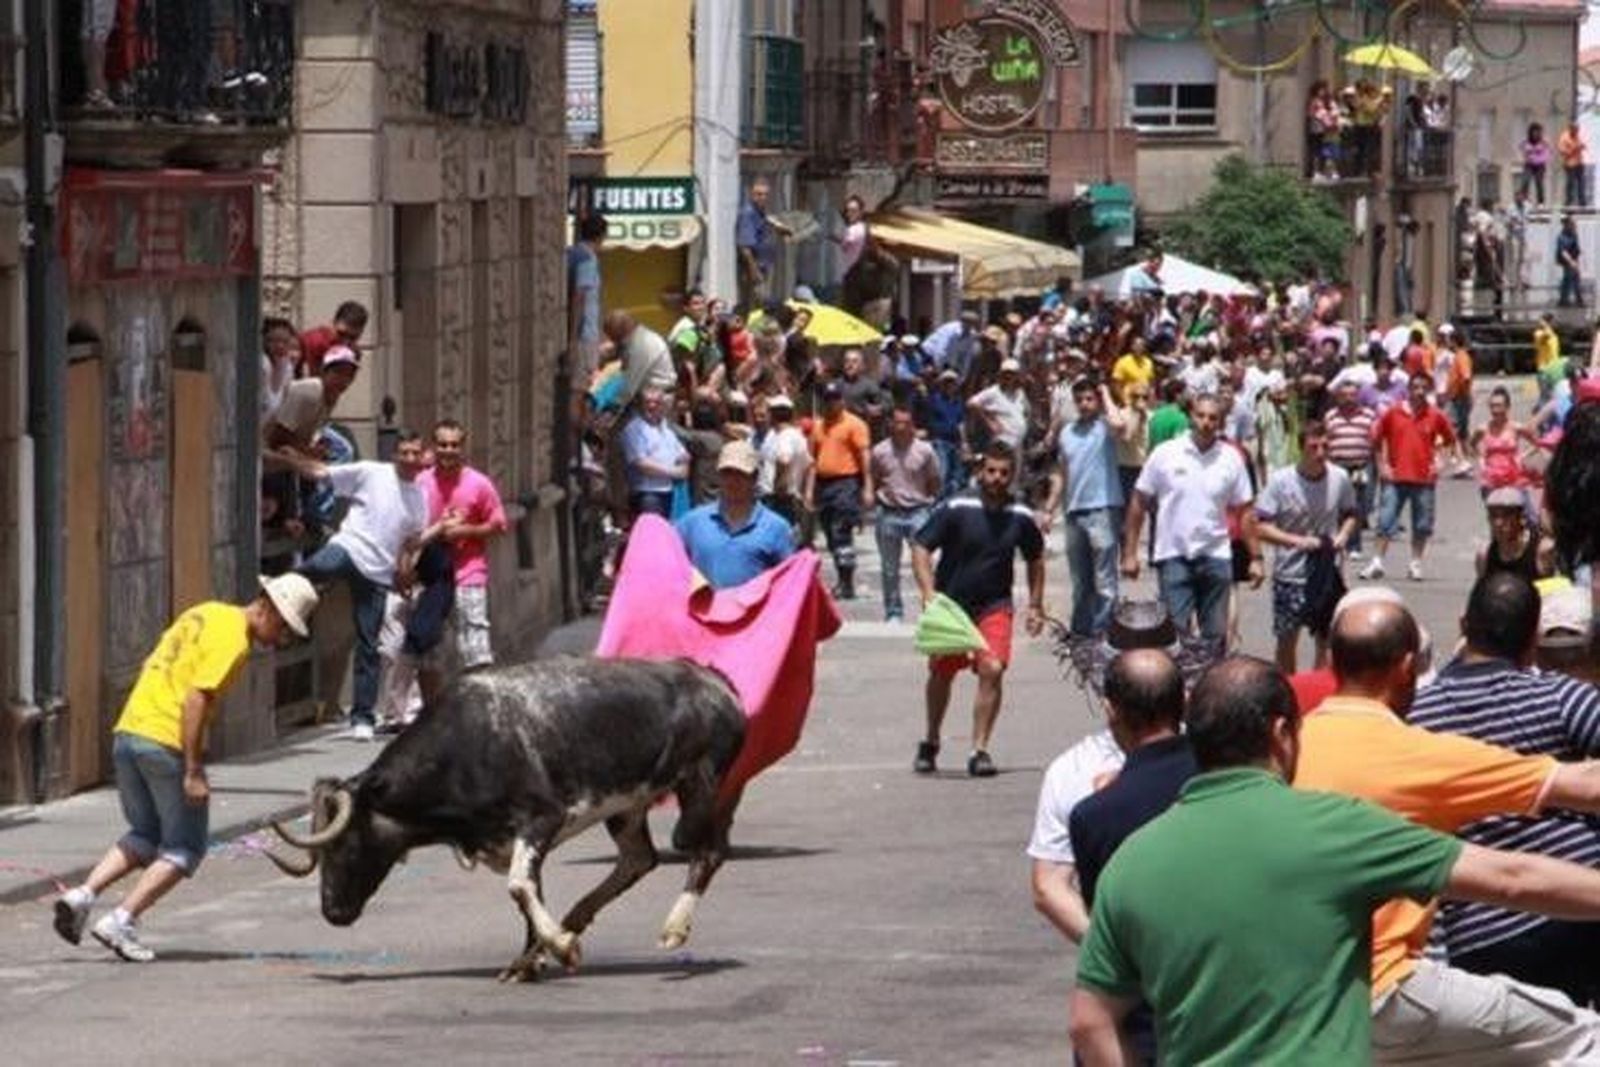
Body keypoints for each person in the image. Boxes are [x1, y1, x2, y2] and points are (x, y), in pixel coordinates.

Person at [1069, 654, 1600, 1066]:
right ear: (1281, 734)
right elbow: (1511, 877)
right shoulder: (1334, 827)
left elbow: (1091, 1022)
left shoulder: (1134, 861)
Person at [1295, 599, 1600, 1062]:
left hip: (1304, 995)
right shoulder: (1413, 753)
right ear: (1407, 667)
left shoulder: (1291, 746)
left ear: (1333, 661)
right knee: (1582, 1035)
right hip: (1386, 986)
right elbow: (1578, 791)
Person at [51, 574, 320, 962]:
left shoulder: (206, 612)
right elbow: (196, 699)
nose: (281, 639)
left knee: (145, 832)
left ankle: (82, 895)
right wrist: (193, 769)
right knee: (185, 846)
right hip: (166, 740)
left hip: (129, 730)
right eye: (282, 627)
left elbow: (154, 661)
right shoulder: (234, 643)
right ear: (268, 607)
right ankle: (122, 919)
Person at [1410, 573, 1600, 1005]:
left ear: (1462, 626)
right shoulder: (1562, 698)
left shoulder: (1416, 718)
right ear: (1532, 641)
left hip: (1475, 929)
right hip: (1576, 906)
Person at [1063, 649, 1193, 1063]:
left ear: (1109, 709)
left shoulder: (1095, 815)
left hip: (1141, 1018)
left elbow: (1103, 918)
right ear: (1184, 702)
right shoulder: (1224, 778)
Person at [274, 430, 439, 740]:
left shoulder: (419, 500)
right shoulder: (371, 472)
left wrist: (403, 575)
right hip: (350, 547)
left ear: (422, 457)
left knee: (368, 644)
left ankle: (362, 717)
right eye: (404, 452)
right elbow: (323, 472)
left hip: (378, 573)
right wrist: (291, 459)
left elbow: (410, 544)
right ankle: (272, 593)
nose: (409, 458)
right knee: (315, 569)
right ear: (395, 455)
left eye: (415, 453)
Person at [911, 444, 1044, 778]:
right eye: (991, 471)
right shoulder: (957, 506)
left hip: (994, 605)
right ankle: (931, 740)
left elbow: (1035, 559)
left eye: (1004, 472)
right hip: (953, 605)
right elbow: (921, 546)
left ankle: (979, 749)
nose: (997, 479)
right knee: (942, 672)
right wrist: (928, 592)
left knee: (993, 668)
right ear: (981, 471)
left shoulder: (1021, 516)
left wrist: (1036, 605)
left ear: (1012, 475)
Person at [1122, 394, 1263, 646]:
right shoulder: (1165, 453)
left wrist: (1256, 558)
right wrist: (1130, 553)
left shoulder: (1231, 458)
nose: (1206, 422)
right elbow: (1138, 501)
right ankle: (1179, 686)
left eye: (1213, 418)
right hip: (1173, 556)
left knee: (1215, 639)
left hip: (1216, 557)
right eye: (1201, 415)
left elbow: (1246, 511)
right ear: (1190, 417)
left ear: (1221, 422)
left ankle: (1208, 684)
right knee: (1173, 638)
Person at [1254, 420, 1359, 674]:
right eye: (1314, 447)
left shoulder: (1340, 477)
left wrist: (1344, 535)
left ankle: (1318, 689)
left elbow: (1352, 513)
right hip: (1290, 574)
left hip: (1327, 571)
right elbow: (1260, 525)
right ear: (1302, 448)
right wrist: (1296, 541)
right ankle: (1290, 689)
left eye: (1325, 446)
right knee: (1287, 639)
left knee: (1326, 639)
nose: (1320, 453)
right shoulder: (1281, 481)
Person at [415, 419, 507, 671]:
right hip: (430, 574)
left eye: (454, 444)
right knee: (429, 646)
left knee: (475, 640)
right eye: (443, 444)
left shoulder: (479, 483)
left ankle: (480, 700)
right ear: (434, 447)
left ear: (462, 448)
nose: (448, 450)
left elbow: (498, 524)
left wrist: (466, 530)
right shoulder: (421, 482)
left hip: (469, 571)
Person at [1040, 379, 1125, 637]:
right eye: (1080, 400)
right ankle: (1082, 632)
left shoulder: (1104, 429)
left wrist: (1106, 392)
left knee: (1105, 580)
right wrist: (1050, 508)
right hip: (1074, 511)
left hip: (1103, 508)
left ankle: (1104, 632)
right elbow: (1062, 474)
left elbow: (1121, 425)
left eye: (1090, 399)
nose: (1085, 405)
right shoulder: (1068, 432)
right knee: (1080, 579)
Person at [1362, 373, 1454, 582]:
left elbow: (1449, 439)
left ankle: (1416, 563)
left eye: (1423, 388)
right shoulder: (1393, 413)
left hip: (1423, 478)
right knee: (1385, 520)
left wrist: (1441, 462)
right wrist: (1382, 465)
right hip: (1396, 477)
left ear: (1428, 390)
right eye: (1415, 387)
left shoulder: (1435, 415)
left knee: (1422, 524)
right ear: (1409, 389)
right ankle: (1377, 561)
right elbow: (1377, 439)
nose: (1419, 392)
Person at [675, 440, 794, 589]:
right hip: (704, 611)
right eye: (727, 473)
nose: (733, 480)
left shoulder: (777, 528)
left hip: (755, 611)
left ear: (755, 477)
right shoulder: (691, 523)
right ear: (718, 475)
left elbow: (789, 584)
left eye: (741, 473)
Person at [869, 407, 941, 622]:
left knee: (924, 565)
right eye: (897, 423)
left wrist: (927, 501)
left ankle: (930, 607)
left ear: (912, 425)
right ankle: (893, 611)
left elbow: (934, 480)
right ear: (890, 424)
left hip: (918, 512)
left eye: (906, 423)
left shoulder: (925, 451)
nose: (902, 428)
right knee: (890, 568)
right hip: (889, 512)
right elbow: (874, 477)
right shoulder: (880, 451)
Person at [806, 381, 874, 600]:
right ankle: (841, 576)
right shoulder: (819, 426)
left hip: (846, 483)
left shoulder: (855, 425)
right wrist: (809, 490)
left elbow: (865, 458)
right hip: (824, 485)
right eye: (827, 399)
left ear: (842, 401)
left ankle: (846, 582)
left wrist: (868, 487)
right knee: (829, 535)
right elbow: (812, 460)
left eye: (834, 399)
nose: (831, 404)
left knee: (841, 531)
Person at [1325, 380, 1378, 557]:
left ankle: (1354, 546)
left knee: (1358, 506)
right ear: (1338, 397)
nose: (1348, 399)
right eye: (1344, 395)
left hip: (1361, 465)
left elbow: (1376, 440)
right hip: (1337, 465)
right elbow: (1326, 441)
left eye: (1352, 395)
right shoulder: (1331, 416)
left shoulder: (1369, 415)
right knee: (1336, 505)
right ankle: (1337, 540)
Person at [619, 388, 689, 518]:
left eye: (656, 402)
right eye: (648, 402)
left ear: (662, 406)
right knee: (651, 534)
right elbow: (642, 464)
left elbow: (684, 456)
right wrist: (675, 472)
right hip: (647, 494)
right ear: (641, 405)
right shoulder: (634, 429)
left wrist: (683, 467)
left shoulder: (666, 430)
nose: (652, 406)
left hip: (667, 491)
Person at [735, 178, 792, 311]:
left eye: (765, 194)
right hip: (755, 268)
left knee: (763, 302)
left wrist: (780, 229)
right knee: (759, 303)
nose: (762, 197)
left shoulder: (761, 212)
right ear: (752, 195)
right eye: (759, 194)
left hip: (764, 265)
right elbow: (745, 247)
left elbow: (767, 223)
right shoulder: (748, 214)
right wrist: (754, 270)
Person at [1475, 486, 1553, 581]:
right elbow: (1482, 593)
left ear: (1522, 518)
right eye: (1493, 516)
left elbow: (1557, 592)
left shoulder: (1542, 551)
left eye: (1506, 515)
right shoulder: (1484, 555)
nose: (1498, 523)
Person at [756, 394, 810, 529]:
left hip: (778, 498)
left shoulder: (786, 437)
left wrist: (778, 487)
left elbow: (784, 460)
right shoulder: (781, 435)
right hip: (782, 497)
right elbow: (810, 464)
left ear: (773, 414)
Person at [566, 213, 606, 387]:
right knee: (582, 389)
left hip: (584, 333)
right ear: (602, 236)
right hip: (585, 334)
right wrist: (573, 339)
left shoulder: (572, 253)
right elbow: (579, 297)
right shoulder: (587, 259)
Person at [917, 368, 969, 499]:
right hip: (939, 441)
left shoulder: (958, 402)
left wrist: (964, 443)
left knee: (956, 475)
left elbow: (960, 423)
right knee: (942, 473)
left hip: (955, 442)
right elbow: (925, 419)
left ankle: (950, 502)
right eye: (947, 382)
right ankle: (937, 502)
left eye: (952, 382)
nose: (950, 385)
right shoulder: (934, 399)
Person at [966, 358, 1030, 453]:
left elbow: (1026, 411)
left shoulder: (1020, 393)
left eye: (1012, 374)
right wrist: (989, 421)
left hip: (1018, 443)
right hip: (1002, 443)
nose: (1008, 376)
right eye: (1006, 373)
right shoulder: (994, 392)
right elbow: (971, 403)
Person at [299, 301, 368, 376]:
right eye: (341, 334)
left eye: (353, 338)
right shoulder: (312, 341)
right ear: (333, 323)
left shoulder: (354, 353)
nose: (345, 342)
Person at [1558, 120, 1587, 208]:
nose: (1576, 132)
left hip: (1579, 162)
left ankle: (1582, 201)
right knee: (1570, 183)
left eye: (1577, 130)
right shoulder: (1564, 137)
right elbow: (1562, 151)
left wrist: (1582, 146)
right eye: (1575, 130)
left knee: (1581, 182)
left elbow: (1582, 145)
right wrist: (1575, 149)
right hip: (1569, 163)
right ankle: (1568, 201)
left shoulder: (1578, 136)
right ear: (1570, 129)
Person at [1557, 213, 1582, 308]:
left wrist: (1577, 260)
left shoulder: (1574, 234)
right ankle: (1563, 300)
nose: (1574, 225)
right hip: (1567, 260)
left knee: (1576, 278)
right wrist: (1571, 262)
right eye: (1572, 224)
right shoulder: (1562, 236)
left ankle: (1578, 299)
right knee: (1568, 279)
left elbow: (1576, 248)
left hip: (1574, 259)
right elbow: (1563, 252)